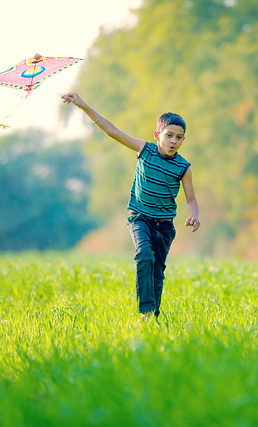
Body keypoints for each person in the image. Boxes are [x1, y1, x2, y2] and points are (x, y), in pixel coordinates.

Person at [61, 92, 200, 326]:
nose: (174, 141)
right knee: (144, 255)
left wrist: (194, 216)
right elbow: (111, 130)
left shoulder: (183, 167)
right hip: (140, 218)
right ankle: (145, 313)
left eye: (179, 137)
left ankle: (153, 317)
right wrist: (83, 105)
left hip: (165, 226)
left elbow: (191, 199)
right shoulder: (144, 149)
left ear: (183, 140)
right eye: (169, 135)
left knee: (157, 273)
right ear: (157, 135)